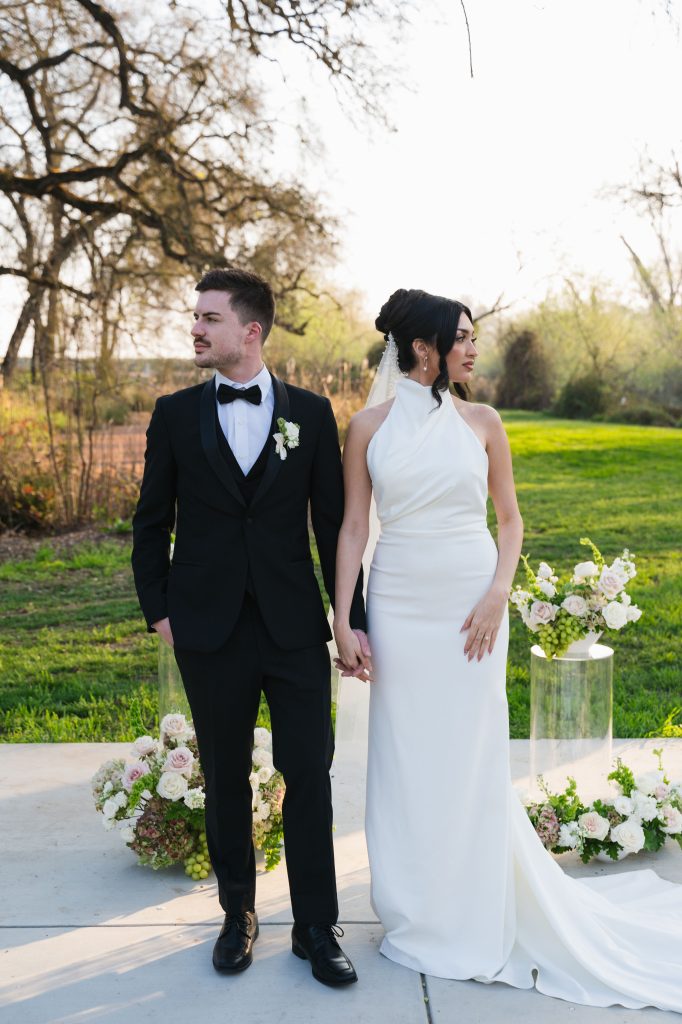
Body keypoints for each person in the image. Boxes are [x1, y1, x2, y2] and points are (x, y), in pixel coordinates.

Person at [332, 287, 682, 1012]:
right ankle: (416, 905)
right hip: (398, 605)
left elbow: (511, 520)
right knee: (406, 753)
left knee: (470, 750)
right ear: (423, 347)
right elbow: (354, 529)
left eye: (473, 336)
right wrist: (343, 618)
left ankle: (474, 900)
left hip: (472, 608)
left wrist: (498, 592)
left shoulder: (484, 422)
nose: (473, 348)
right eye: (461, 336)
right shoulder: (366, 427)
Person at [131, 268, 369, 986]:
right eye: (196, 317)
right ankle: (237, 914)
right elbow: (150, 522)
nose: (195, 329)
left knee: (310, 773)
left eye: (210, 318)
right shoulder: (175, 414)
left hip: (293, 626)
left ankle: (316, 927)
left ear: (251, 330)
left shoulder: (312, 414)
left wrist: (349, 618)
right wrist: (160, 610)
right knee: (226, 777)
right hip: (208, 628)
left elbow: (334, 526)